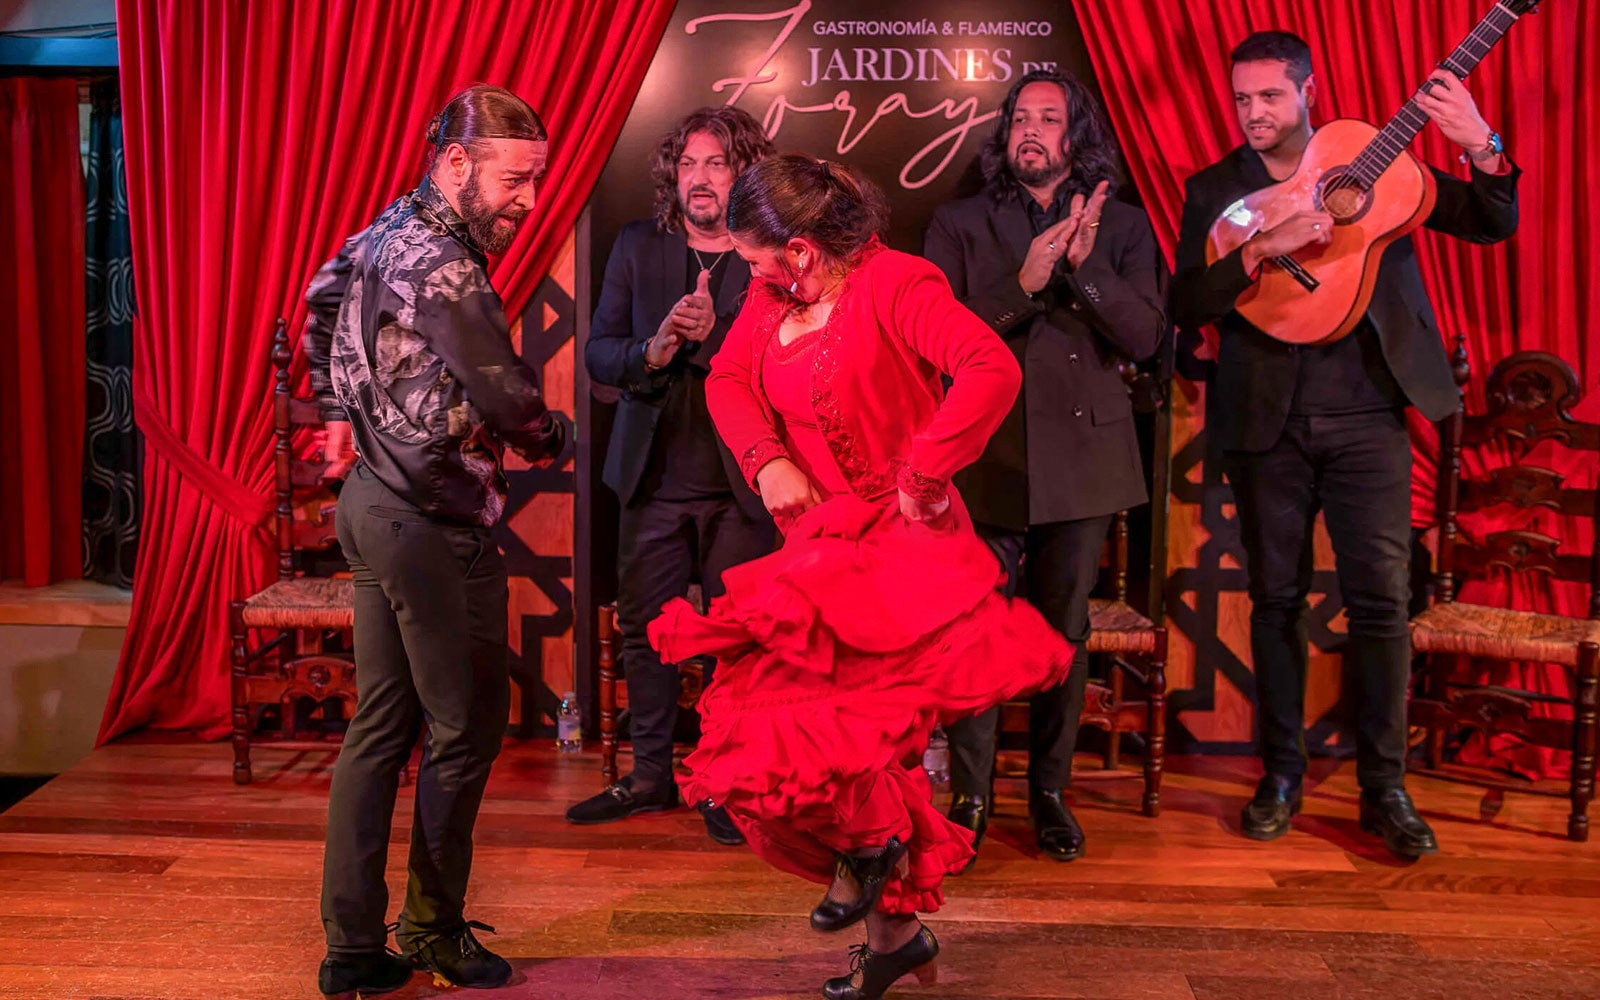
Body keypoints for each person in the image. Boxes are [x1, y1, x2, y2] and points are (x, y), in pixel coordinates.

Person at [647, 154, 1075, 999]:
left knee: (851, 737)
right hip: (822, 546)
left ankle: (871, 865)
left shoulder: (899, 285)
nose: (750, 273)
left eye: (759, 259)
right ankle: (893, 929)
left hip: (902, 548)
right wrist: (768, 460)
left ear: (802, 250)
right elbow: (731, 379)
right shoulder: (773, 299)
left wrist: (924, 470)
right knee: (772, 730)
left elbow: (992, 369)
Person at [1171, 31, 1518, 859]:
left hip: (1371, 412)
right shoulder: (1216, 189)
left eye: (1269, 97)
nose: (1253, 113)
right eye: (1242, 99)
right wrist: (1256, 251)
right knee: (1276, 602)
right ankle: (1281, 774)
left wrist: (1483, 145)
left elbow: (1489, 221)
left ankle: (1383, 788)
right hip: (1266, 418)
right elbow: (1186, 301)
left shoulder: (1376, 162)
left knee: (1381, 605)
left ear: (1308, 91)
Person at [303, 84, 566, 996]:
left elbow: (317, 296)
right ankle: (433, 932)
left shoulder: (383, 233)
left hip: (369, 510)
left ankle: (349, 951)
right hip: (427, 525)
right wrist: (554, 437)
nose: (527, 200)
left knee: (381, 726)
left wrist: (334, 409)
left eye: (536, 180)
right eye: (515, 179)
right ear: (455, 165)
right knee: (464, 730)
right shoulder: (448, 268)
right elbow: (507, 396)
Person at [925, 69, 1167, 866]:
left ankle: (1052, 795)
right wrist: (1024, 284)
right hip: (983, 456)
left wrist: (1088, 269)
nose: (1031, 129)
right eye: (1020, 118)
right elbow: (935, 336)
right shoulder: (960, 223)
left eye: (1049, 119)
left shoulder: (1126, 227)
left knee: (1063, 634)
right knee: (972, 635)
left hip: (1084, 461)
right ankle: (971, 794)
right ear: (1005, 135)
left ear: (1075, 136)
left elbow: (1146, 341)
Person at [568, 107, 776, 842]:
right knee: (647, 633)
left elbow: (789, 366)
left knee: (733, 642)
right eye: (688, 164)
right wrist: (652, 351)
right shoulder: (636, 247)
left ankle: (721, 785)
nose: (699, 178)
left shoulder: (771, 259)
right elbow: (599, 353)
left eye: (716, 163)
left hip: (743, 486)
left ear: (744, 172)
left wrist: (720, 342)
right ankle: (652, 776)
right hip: (651, 477)